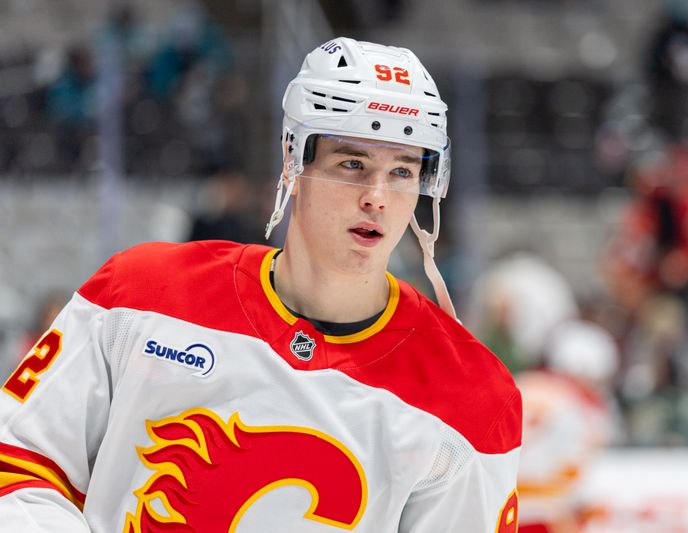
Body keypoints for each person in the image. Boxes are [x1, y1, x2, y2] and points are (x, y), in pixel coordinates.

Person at [0, 37, 521, 532]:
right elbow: (21, 460)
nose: (377, 197)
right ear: (294, 160)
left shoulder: (472, 395)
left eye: (402, 172)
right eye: (352, 164)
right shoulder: (139, 294)